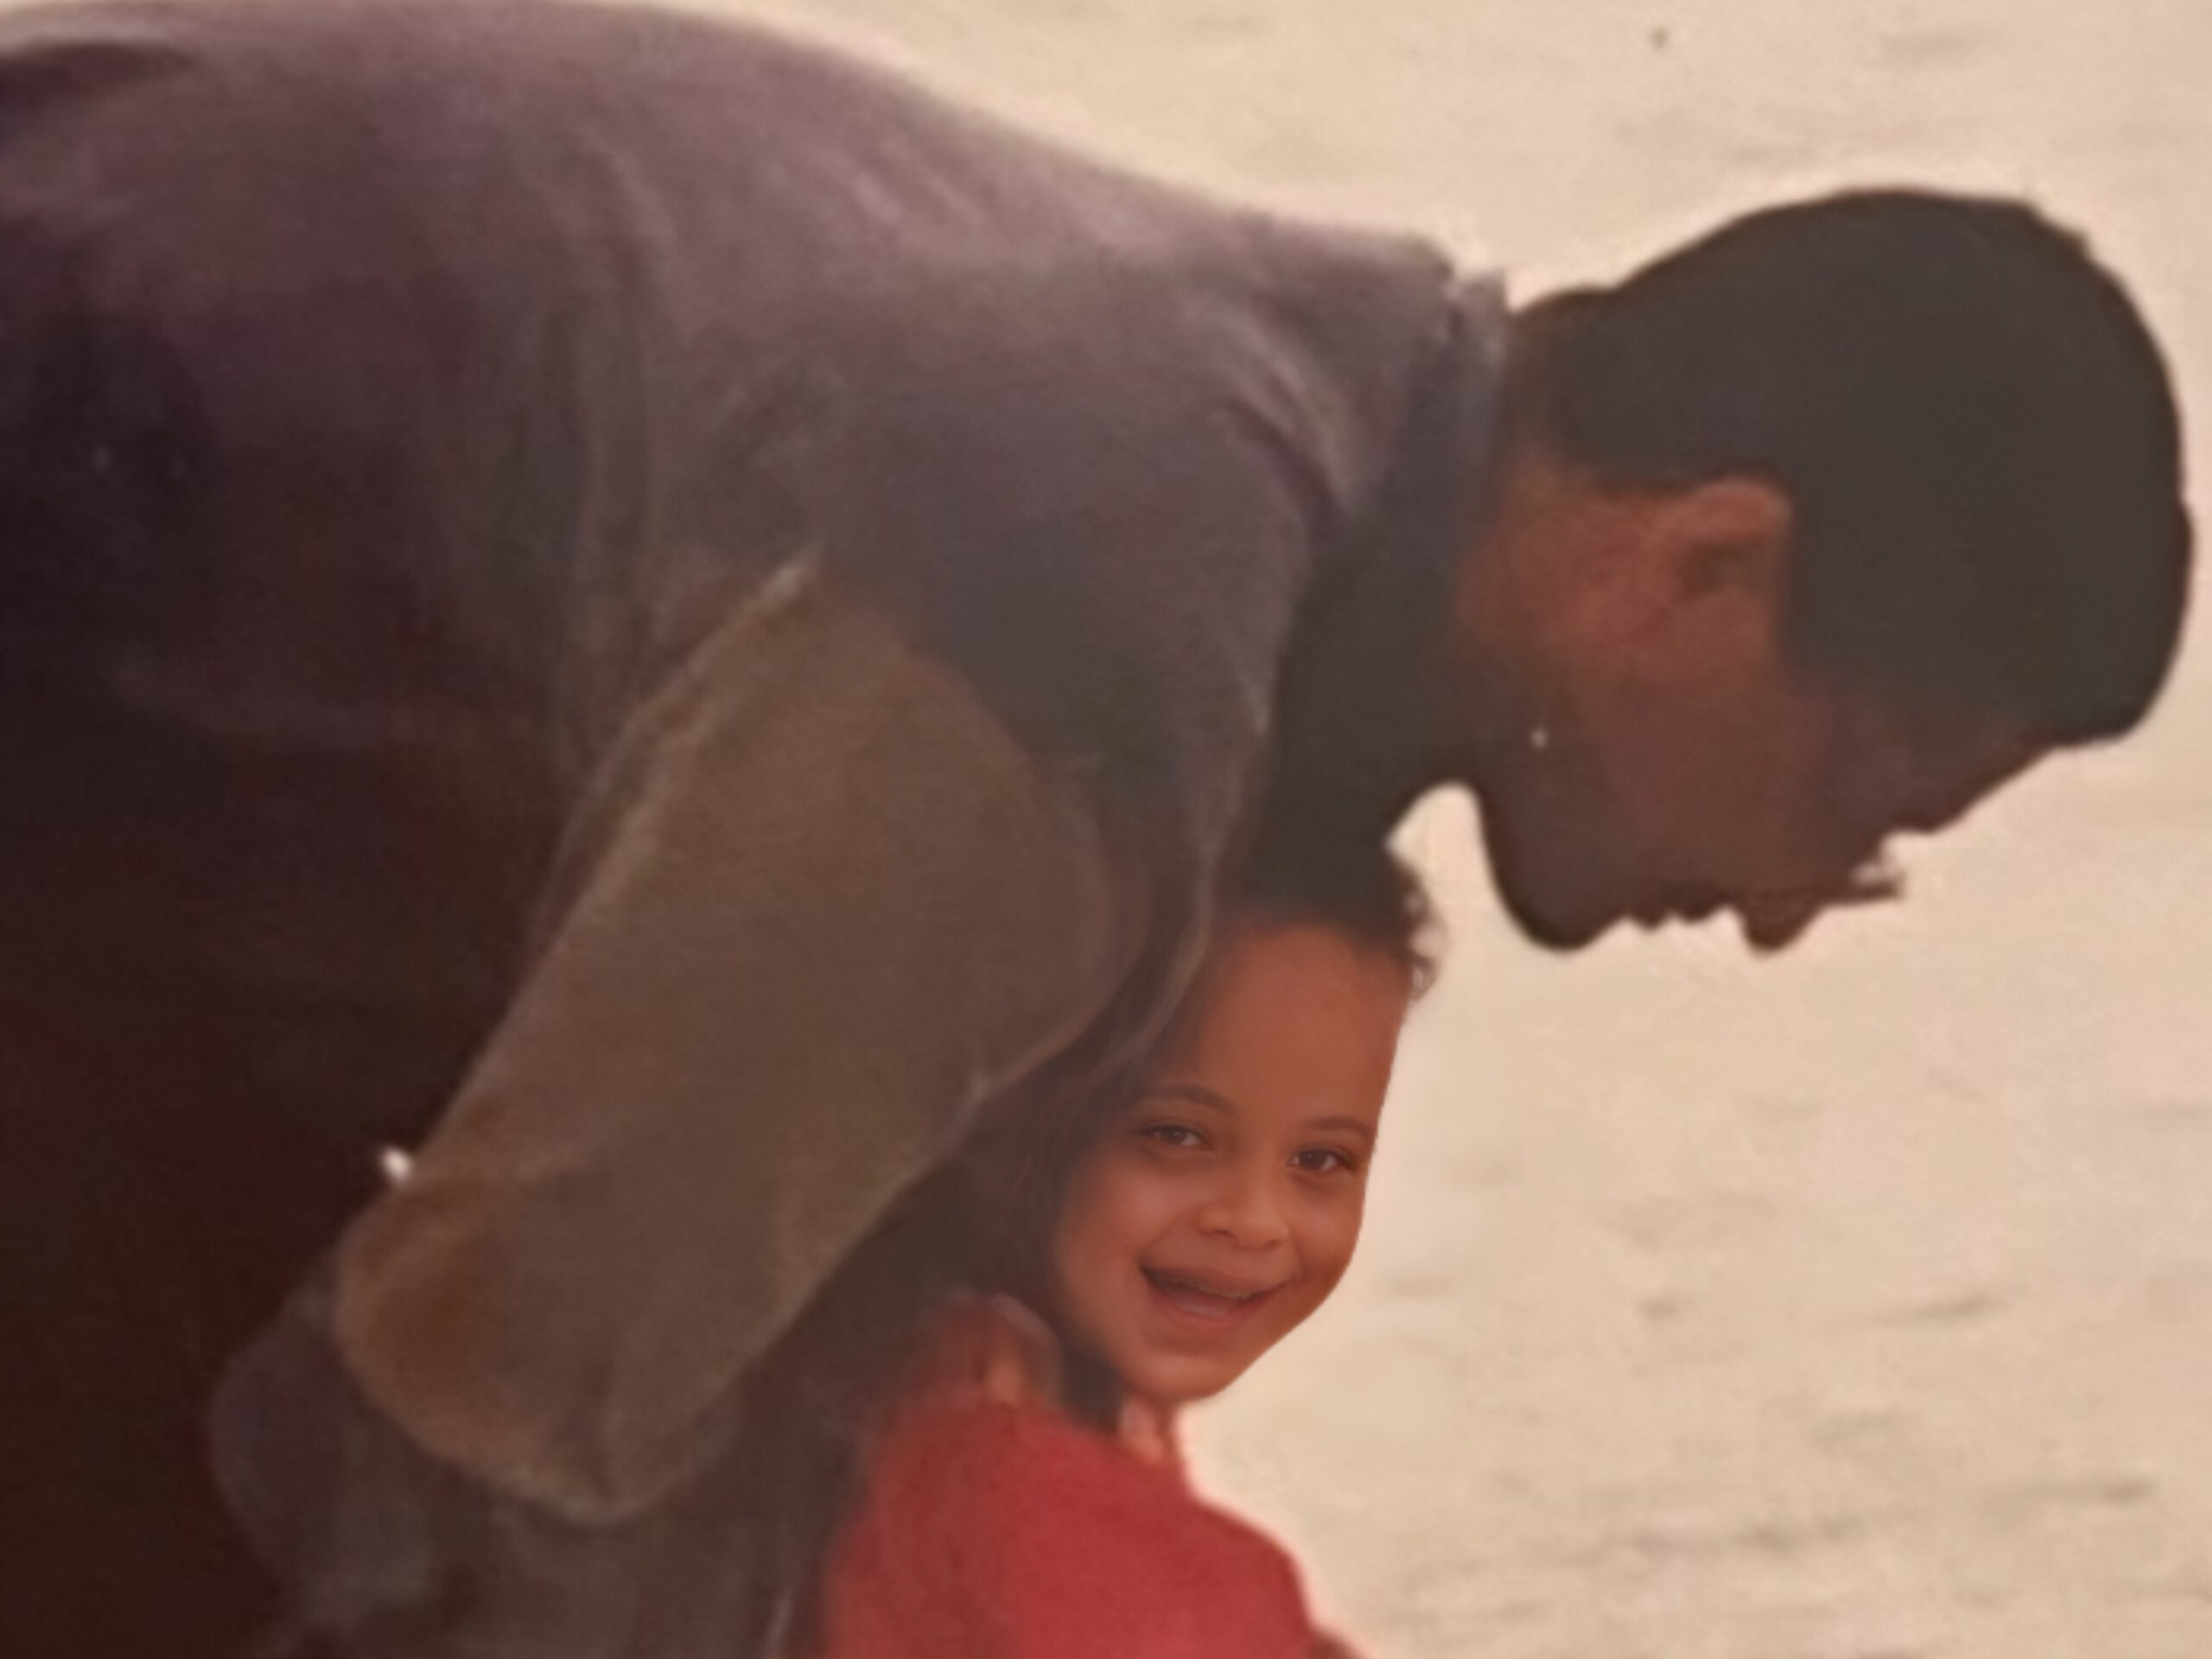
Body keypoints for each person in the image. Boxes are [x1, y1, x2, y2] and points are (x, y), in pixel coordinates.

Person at [0, 0, 2188, 1653]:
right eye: (1855, 806)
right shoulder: (1098, 622)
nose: (1796, 914)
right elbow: (458, 1407)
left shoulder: (1306, 403)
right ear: (1697, 570)